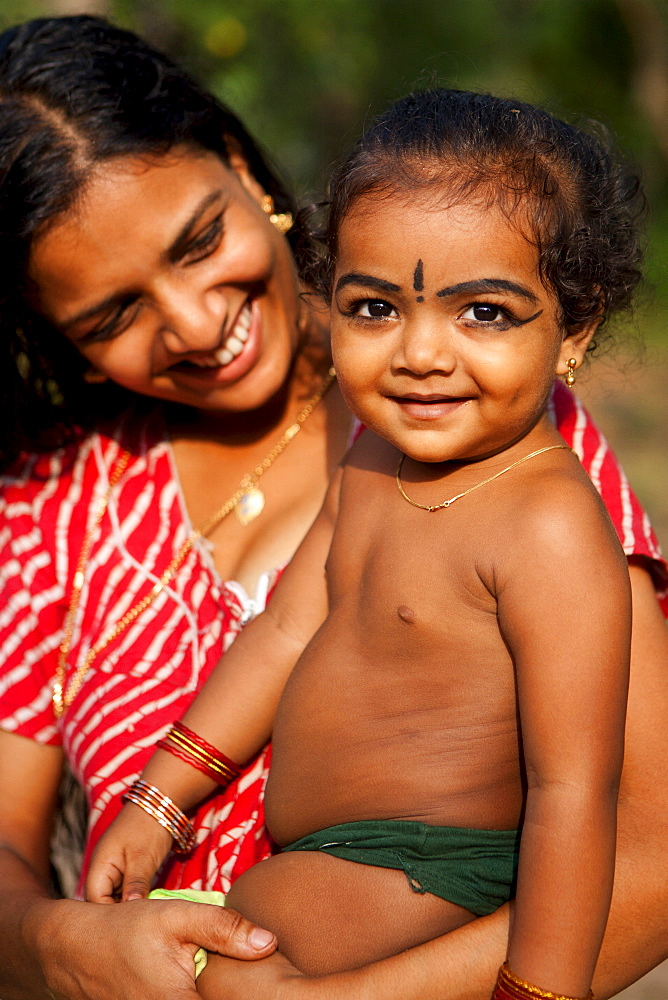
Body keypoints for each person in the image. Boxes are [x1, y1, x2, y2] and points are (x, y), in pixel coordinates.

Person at [0, 15, 664, 1000]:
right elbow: (285, 627)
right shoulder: (62, 504)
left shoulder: (529, 473)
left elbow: (607, 819)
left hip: (414, 893)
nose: (193, 324)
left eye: (196, 243)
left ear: (243, 169)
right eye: (114, 313)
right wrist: (94, 906)